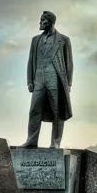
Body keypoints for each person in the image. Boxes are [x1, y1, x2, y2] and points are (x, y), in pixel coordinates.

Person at [20, 11, 73, 149]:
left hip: (56, 81)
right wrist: (30, 80)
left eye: (42, 20)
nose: (39, 23)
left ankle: (55, 142)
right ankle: (31, 141)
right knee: (34, 110)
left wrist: (68, 84)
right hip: (39, 80)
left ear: (49, 21)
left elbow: (69, 63)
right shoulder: (35, 40)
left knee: (57, 112)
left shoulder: (63, 40)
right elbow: (30, 61)